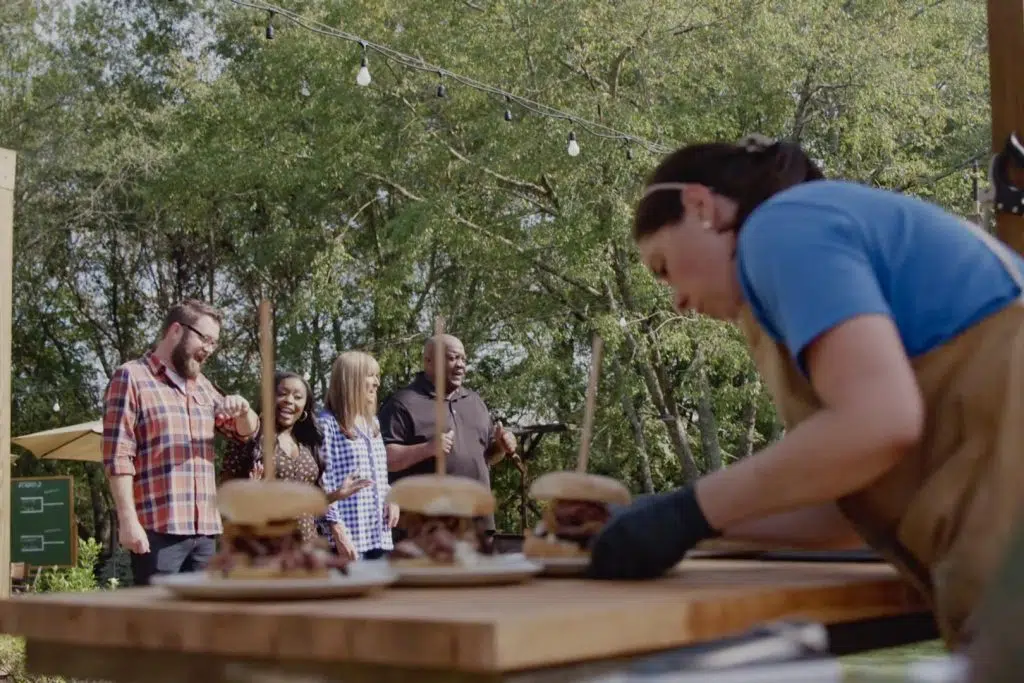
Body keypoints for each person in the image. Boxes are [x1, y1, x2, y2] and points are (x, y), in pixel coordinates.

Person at [586, 135, 1024, 651]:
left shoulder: (781, 226)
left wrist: (691, 510)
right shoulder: (808, 240)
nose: (678, 300)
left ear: (699, 205)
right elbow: (843, 508)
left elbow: (880, 421)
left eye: (663, 267)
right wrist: (670, 522)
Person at [102, 299, 258, 586]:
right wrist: (128, 520)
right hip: (158, 532)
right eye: (206, 339)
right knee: (157, 625)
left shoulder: (202, 387)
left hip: (205, 533)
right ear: (176, 330)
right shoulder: (132, 377)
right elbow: (118, 455)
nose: (210, 349)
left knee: (202, 623)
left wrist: (245, 410)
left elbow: (244, 433)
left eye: (215, 343)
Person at [378, 334, 517, 537]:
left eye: (463, 359)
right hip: (428, 529)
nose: (460, 365)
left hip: (477, 524)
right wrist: (427, 449)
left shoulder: (475, 402)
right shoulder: (403, 403)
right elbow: (384, 459)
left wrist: (500, 446)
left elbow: (488, 457)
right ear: (428, 361)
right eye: (452, 358)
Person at [220, 370, 372, 542]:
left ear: (305, 408)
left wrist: (337, 494)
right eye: (282, 394)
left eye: (298, 397)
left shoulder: (308, 443)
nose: (289, 401)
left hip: (306, 545)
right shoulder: (251, 437)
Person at [319, 351, 396, 560]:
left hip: (379, 536)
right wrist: (338, 533)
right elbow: (322, 485)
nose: (377, 383)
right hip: (348, 543)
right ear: (351, 380)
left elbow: (379, 477)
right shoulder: (327, 424)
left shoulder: (374, 424)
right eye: (371, 375)